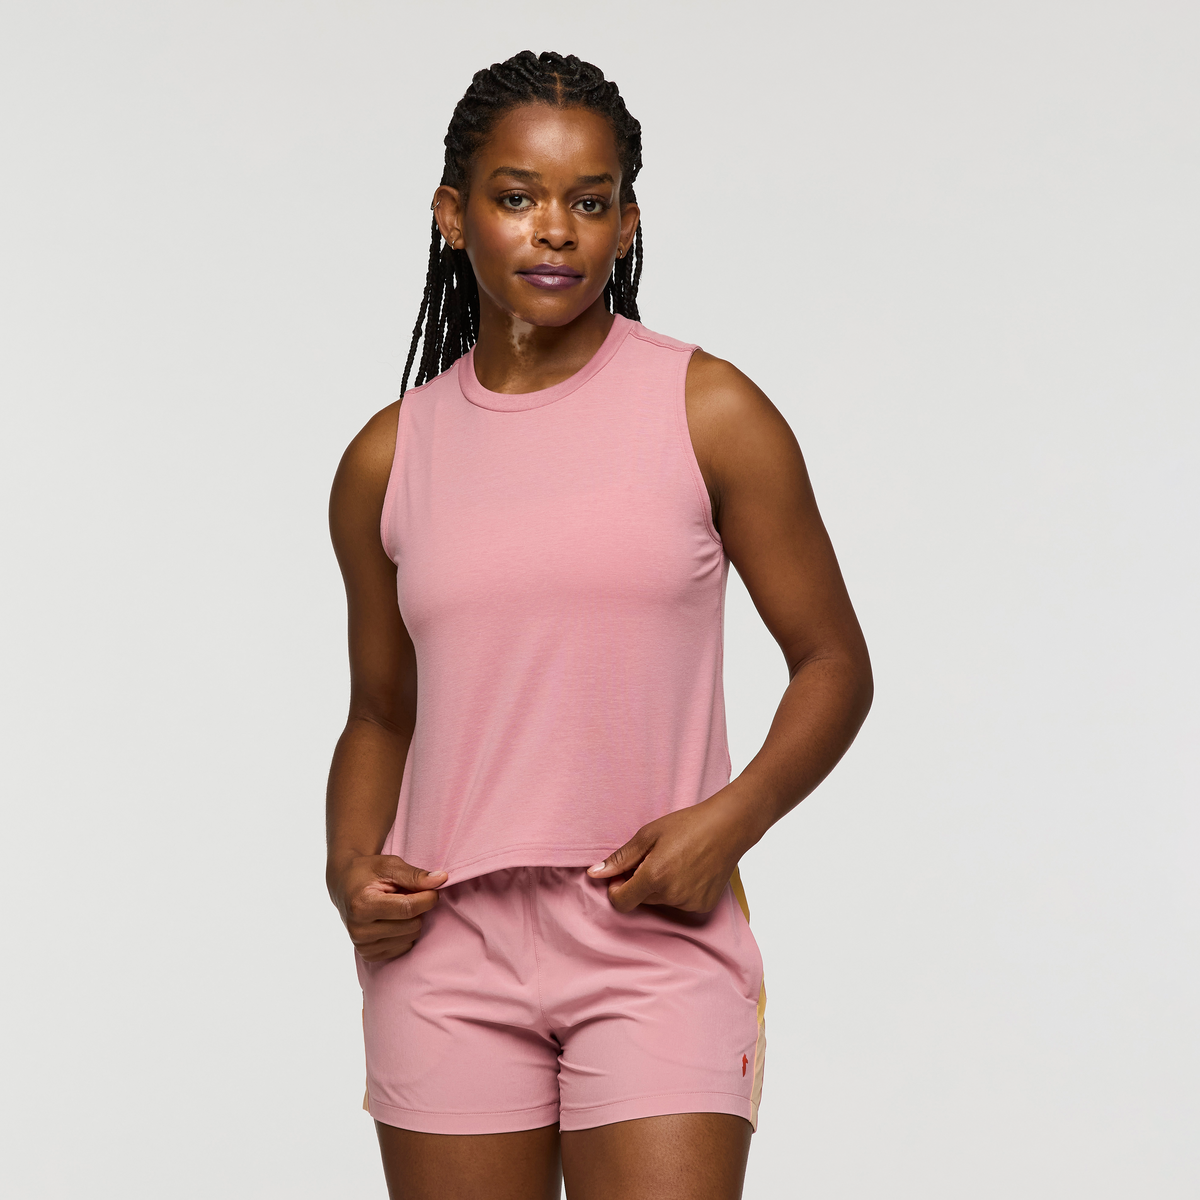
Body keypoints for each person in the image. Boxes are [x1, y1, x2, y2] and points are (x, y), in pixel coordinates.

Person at [325, 49, 873, 1200]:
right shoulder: (390, 456)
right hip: (444, 953)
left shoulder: (709, 410)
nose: (554, 230)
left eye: (589, 202)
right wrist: (348, 869)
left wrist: (728, 824)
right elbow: (379, 713)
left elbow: (833, 663)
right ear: (452, 215)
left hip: (656, 941)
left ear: (628, 225)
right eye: (516, 196)